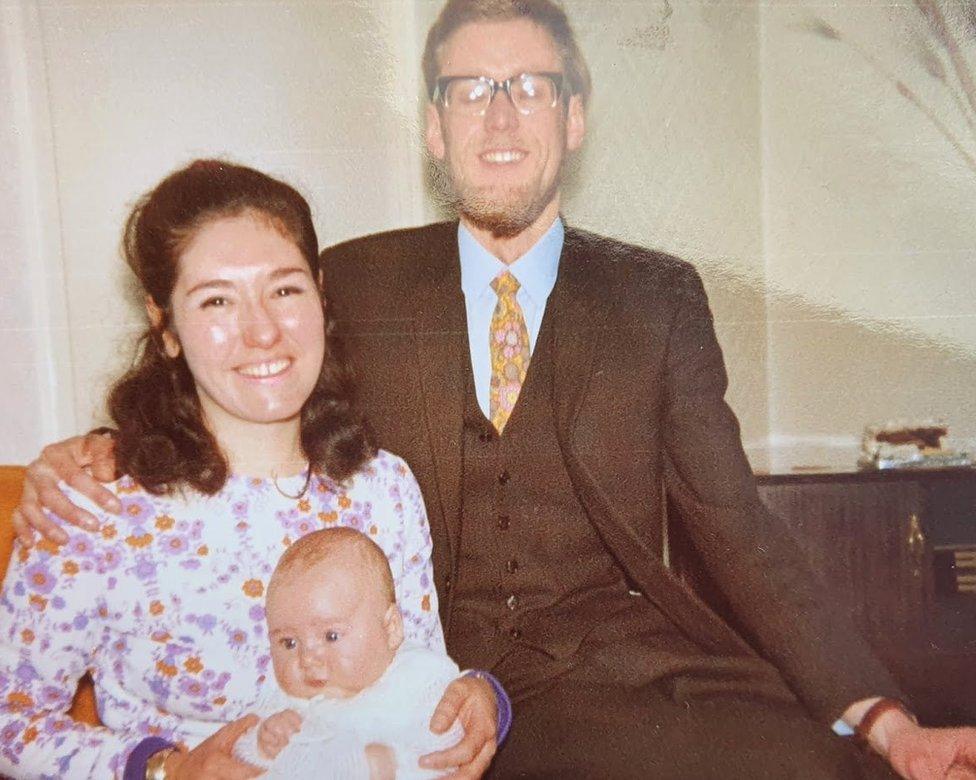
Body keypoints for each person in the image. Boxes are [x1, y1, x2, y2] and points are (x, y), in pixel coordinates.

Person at [14, 0, 976, 777]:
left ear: (576, 114)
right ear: (434, 125)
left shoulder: (656, 297)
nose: (502, 115)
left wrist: (888, 719)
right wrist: (93, 450)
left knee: (805, 766)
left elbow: (740, 533)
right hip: (413, 682)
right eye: (471, 89)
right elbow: (231, 358)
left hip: (616, 674)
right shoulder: (349, 280)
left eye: (530, 86)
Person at [0, 160, 499, 779]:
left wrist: (479, 697)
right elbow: (10, 724)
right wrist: (164, 771)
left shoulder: (383, 489)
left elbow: (415, 668)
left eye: (285, 289)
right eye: (216, 300)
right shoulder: (93, 505)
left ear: (320, 295)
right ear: (167, 328)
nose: (262, 331)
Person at [233, 527, 466, 779]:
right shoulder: (284, 700)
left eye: (331, 636)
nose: (307, 659)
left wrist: (394, 766)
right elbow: (237, 752)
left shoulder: (419, 677)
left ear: (391, 628)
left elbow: (449, 748)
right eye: (289, 643)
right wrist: (262, 743)